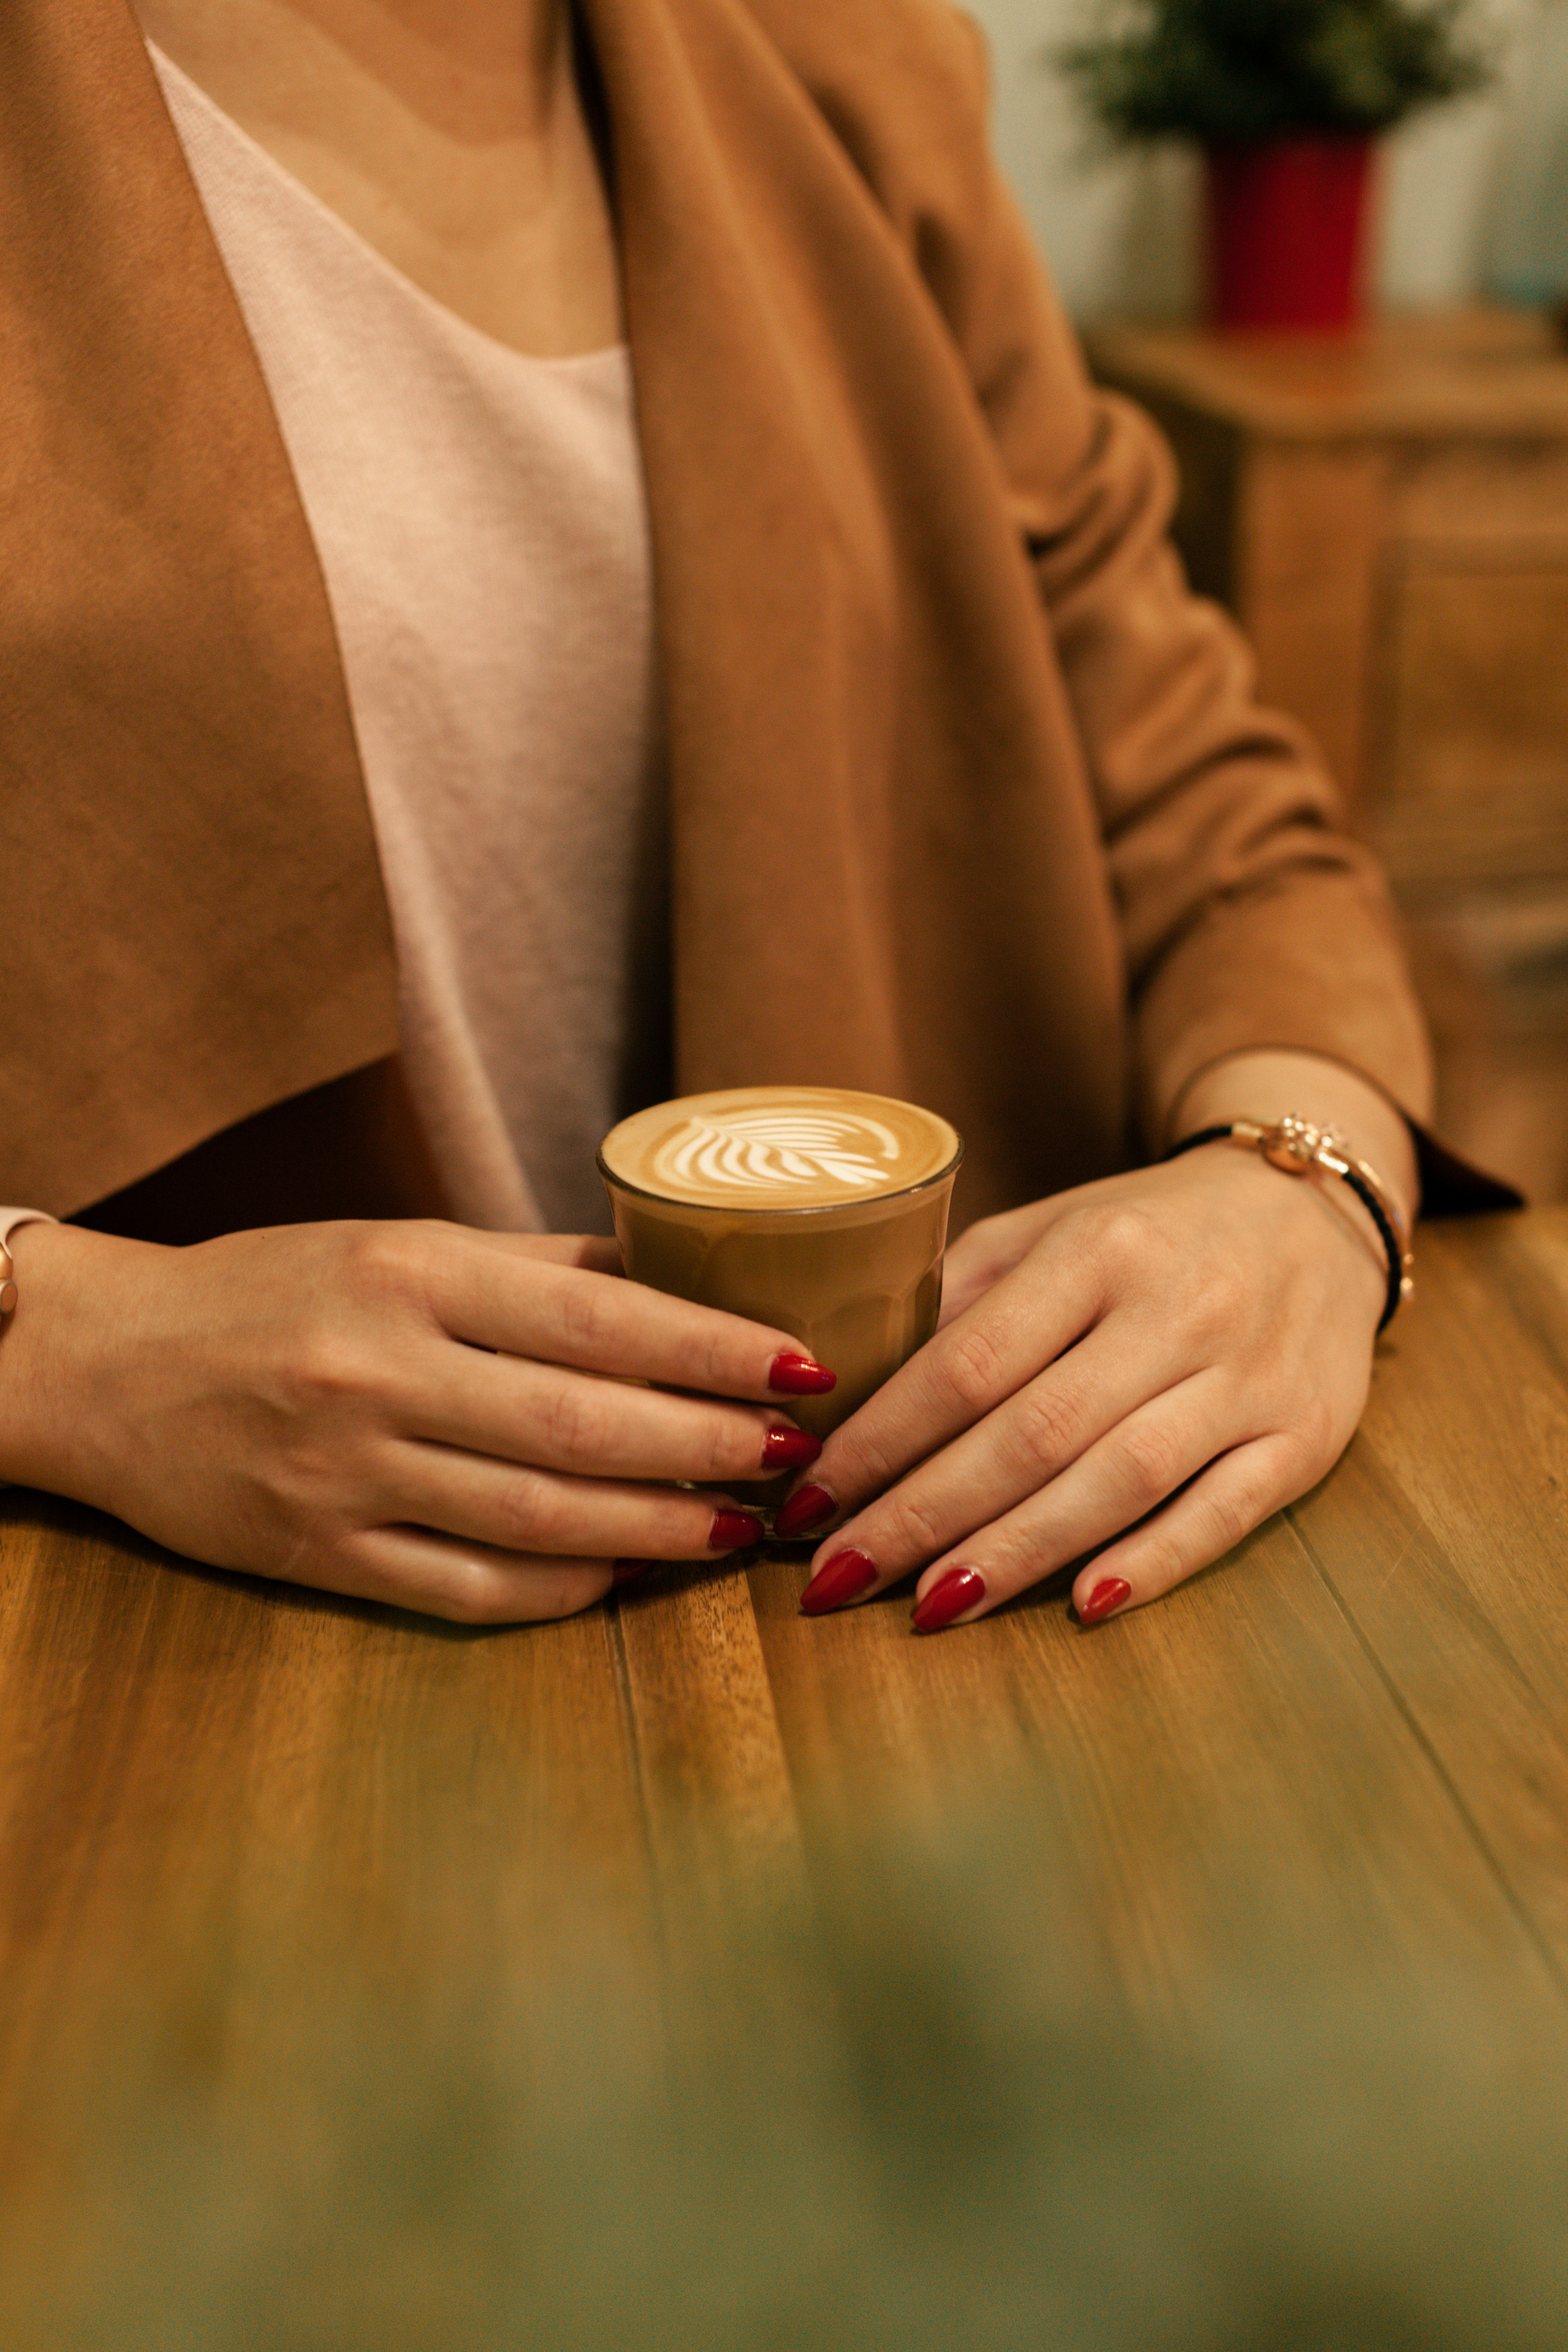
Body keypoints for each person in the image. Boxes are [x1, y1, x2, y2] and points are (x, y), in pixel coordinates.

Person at [0, 0, 1505, 1632]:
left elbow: (1207, 806)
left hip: (905, 1599)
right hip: (182, 1663)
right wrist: (66, 1347)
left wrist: (1298, 1193)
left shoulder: (841, 64)